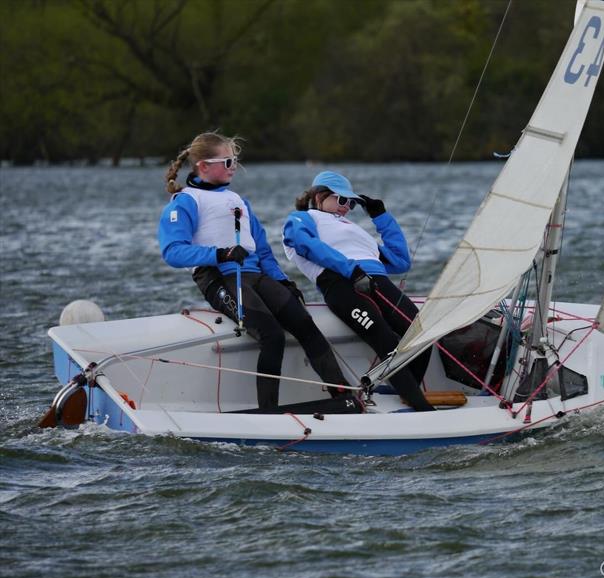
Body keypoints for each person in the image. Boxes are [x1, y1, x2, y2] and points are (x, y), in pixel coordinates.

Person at [158, 133, 350, 411]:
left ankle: (345, 398)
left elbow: (261, 250)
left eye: (235, 160)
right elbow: (172, 251)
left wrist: (283, 281)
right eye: (227, 161)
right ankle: (269, 412)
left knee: (305, 325)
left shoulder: (238, 201)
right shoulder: (185, 202)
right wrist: (219, 253)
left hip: (254, 275)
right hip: (219, 278)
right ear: (203, 167)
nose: (234, 166)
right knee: (272, 336)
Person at [283, 171, 434, 412]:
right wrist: (350, 270)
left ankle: (404, 394)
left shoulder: (354, 230)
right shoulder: (302, 218)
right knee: (386, 341)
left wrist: (380, 216)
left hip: (376, 282)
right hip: (342, 284)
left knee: (422, 336)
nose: (347, 207)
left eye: (352, 203)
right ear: (319, 196)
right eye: (342, 200)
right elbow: (305, 245)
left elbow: (400, 261)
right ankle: (422, 409)